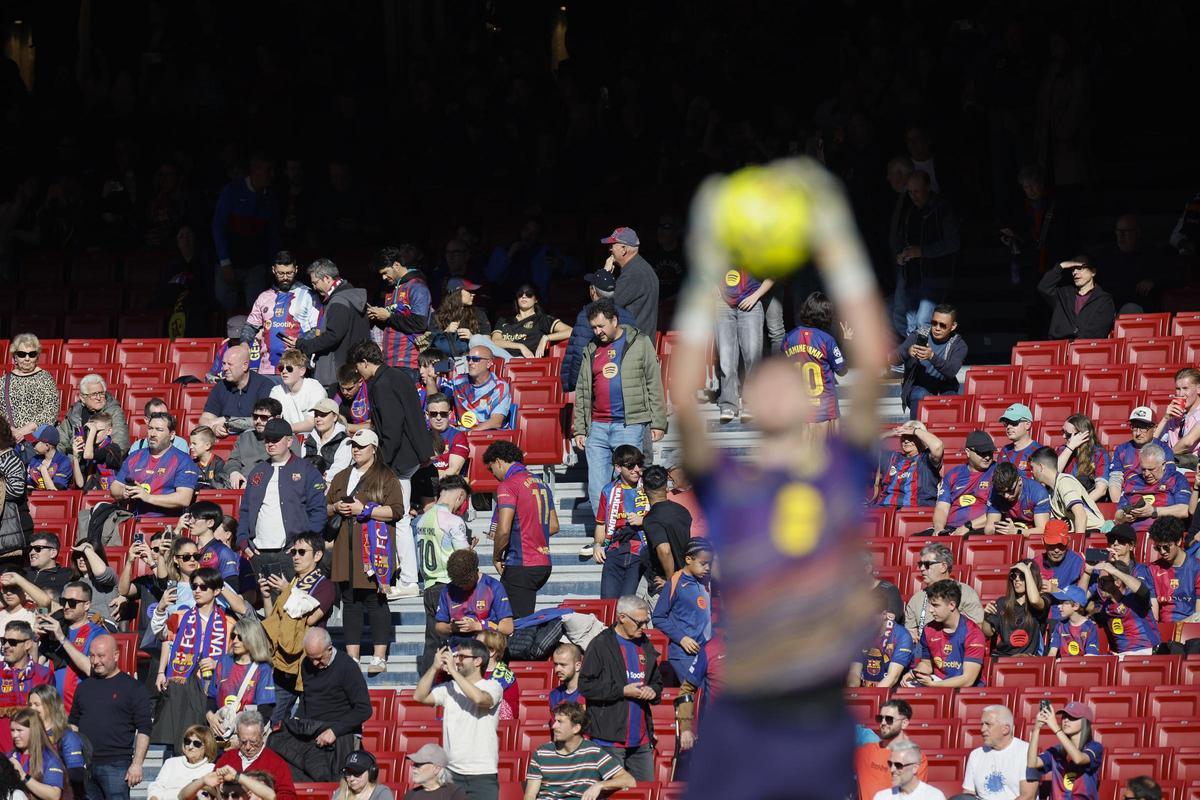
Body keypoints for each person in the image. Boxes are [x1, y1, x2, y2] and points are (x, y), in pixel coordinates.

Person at [572, 299, 667, 518]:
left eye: (601, 326)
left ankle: (630, 533)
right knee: (597, 487)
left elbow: (654, 382)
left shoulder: (640, 342)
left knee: (629, 482)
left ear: (614, 320)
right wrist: (580, 428)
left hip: (629, 424)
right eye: (594, 327)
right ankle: (604, 535)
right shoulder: (591, 349)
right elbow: (584, 390)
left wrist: (658, 422)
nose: (598, 331)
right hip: (597, 427)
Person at [326, 429, 411, 673]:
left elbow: (396, 511)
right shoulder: (342, 476)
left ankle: (379, 657)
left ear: (374, 448)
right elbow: (326, 506)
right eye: (354, 445)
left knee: (376, 602)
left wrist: (365, 510)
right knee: (350, 602)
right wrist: (336, 507)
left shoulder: (386, 476)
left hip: (375, 550)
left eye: (361, 446)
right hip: (345, 547)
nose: (356, 449)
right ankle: (352, 658)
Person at [267, 629, 371, 783]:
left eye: (319, 658)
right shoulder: (306, 664)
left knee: (327, 768)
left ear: (329, 649)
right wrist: (298, 721)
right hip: (312, 728)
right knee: (275, 741)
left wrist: (334, 732)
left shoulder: (347, 667)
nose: (315, 663)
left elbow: (364, 709)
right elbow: (307, 699)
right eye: (311, 658)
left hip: (339, 730)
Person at [578, 595, 662, 782]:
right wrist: (622, 691)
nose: (644, 627)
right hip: (609, 739)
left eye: (646, 622)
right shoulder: (601, 644)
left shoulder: (645, 643)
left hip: (641, 740)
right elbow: (586, 686)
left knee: (645, 792)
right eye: (639, 623)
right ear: (622, 617)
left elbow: (657, 682)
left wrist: (653, 691)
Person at [260, 531, 337, 725]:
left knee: (306, 723)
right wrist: (267, 596)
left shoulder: (324, 585)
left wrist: (288, 591)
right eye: (293, 552)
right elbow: (273, 620)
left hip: (309, 664)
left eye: (302, 552)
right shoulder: (292, 582)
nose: (295, 556)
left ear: (318, 555)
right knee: (275, 722)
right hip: (283, 662)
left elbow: (311, 618)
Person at [236, 418, 327, 581]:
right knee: (265, 604)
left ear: (289, 441)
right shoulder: (257, 472)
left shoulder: (307, 470)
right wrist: (243, 539)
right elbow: (246, 510)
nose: (270, 444)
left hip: (293, 553)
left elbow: (318, 511)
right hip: (258, 552)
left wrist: (304, 545)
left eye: (276, 440)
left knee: (293, 604)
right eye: (267, 440)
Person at [412, 641, 503, 800]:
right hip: (451, 773)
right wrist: (434, 667)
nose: (456, 660)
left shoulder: (493, 686)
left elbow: (479, 699)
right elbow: (419, 696)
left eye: (461, 656)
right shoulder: (449, 687)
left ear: (477, 661)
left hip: (482, 774)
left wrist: (454, 672)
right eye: (456, 656)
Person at [152, 568, 231, 751]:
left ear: (217, 591)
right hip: (184, 682)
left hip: (212, 684)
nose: (197, 591)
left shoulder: (228, 622)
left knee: (207, 739)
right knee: (183, 736)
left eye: (203, 587)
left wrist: (217, 663)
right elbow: (163, 635)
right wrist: (161, 607)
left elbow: (235, 657)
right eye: (194, 586)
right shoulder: (181, 616)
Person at [68, 634, 152, 800]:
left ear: (116, 655)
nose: (95, 661)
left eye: (101, 656)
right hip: (86, 765)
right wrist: (73, 757)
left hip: (117, 765)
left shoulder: (133, 688)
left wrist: (137, 764)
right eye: (92, 655)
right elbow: (73, 723)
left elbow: (144, 728)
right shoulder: (84, 687)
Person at [651, 539, 713, 749]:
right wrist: (682, 638)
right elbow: (658, 617)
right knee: (696, 691)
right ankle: (688, 740)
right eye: (703, 563)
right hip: (684, 653)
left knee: (710, 693)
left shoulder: (704, 581)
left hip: (706, 653)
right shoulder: (676, 582)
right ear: (688, 559)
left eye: (709, 564)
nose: (707, 568)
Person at [348, 340, 434, 492]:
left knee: (398, 509)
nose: (357, 371)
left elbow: (392, 426)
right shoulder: (399, 375)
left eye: (357, 366)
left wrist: (382, 460)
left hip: (400, 457)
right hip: (413, 453)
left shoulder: (382, 384)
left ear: (365, 363)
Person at [485, 441, 557, 617]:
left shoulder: (509, 485)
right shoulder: (541, 482)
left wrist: (496, 557)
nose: (492, 474)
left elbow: (503, 530)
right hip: (543, 563)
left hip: (521, 564)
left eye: (491, 468)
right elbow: (554, 526)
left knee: (513, 623)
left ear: (499, 462)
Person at [414, 476, 472, 674]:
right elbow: (464, 559)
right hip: (448, 586)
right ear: (460, 496)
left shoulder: (423, 518)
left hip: (429, 585)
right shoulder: (453, 521)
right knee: (452, 639)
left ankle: (427, 685)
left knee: (432, 641)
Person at [891, 170, 960, 336]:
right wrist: (901, 254)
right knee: (911, 325)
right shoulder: (909, 211)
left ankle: (926, 360)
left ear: (928, 188)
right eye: (910, 192)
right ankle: (918, 361)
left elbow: (953, 243)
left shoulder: (941, 209)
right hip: (913, 277)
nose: (913, 196)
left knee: (923, 321)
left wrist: (922, 251)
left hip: (935, 277)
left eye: (917, 191)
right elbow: (901, 238)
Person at [524, 701, 636, 800]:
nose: (554, 726)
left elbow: (629, 780)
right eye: (555, 721)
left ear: (576, 728)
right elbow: (530, 796)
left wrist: (599, 785)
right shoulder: (541, 753)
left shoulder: (593, 752)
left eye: (560, 722)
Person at [288, 258, 370, 386]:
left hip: (337, 374)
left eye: (315, 282)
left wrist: (303, 345)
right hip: (352, 367)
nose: (314, 287)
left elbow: (332, 336)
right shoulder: (351, 297)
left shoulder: (339, 302)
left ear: (326, 278)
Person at [242, 253, 321, 378]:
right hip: (267, 370)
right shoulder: (263, 297)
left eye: (289, 273)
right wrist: (244, 343)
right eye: (281, 273)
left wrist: (301, 344)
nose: (285, 277)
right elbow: (251, 326)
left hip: (297, 369)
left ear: (296, 270)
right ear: (273, 270)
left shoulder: (308, 295)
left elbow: (317, 329)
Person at [185, 710, 295, 800]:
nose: (247, 747)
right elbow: (213, 789)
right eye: (243, 741)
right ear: (237, 736)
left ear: (262, 736)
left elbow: (288, 797)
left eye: (253, 742)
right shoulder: (227, 758)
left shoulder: (276, 763)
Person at [107, 412, 199, 520]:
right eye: (150, 428)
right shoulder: (134, 456)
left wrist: (148, 497)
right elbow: (115, 486)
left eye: (159, 430)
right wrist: (124, 492)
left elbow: (184, 499)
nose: (153, 434)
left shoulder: (183, 460)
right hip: (133, 520)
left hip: (165, 524)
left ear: (172, 435)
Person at [559, 271, 637, 394]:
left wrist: (575, 385)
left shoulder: (587, 315)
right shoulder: (629, 315)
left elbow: (580, 353)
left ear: (593, 291)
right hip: (622, 383)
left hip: (594, 385)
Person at [715, 265, 774, 422]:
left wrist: (755, 296)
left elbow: (772, 275)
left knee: (752, 356)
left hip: (751, 304)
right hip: (723, 304)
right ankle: (728, 403)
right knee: (726, 359)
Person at [780, 291, 847, 430]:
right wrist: (846, 343)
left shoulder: (789, 337)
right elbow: (842, 371)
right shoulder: (827, 340)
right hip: (825, 411)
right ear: (826, 315)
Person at [589, 446, 650, 598]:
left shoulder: (650, 486)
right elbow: (601, 523)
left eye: (639, 464)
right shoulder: (608, 490)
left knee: (628, 604)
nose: (636, 469)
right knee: (608, 602)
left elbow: (663, 517)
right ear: (618, 467)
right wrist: (597, 545)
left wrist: (644, 520)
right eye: (630, 466)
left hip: (640, 550)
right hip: (614, 550)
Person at [36, 581, 106, 712]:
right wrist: (36, 639)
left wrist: (62, 638)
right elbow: (37, 665)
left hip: (78, 710)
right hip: (51, 709)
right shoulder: (56, 628)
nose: (66, 606)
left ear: (86, 605)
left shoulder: (97, 633)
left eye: (72, 603)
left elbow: (91, 669)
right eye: (63, 601)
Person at [206, 615, 276, 742]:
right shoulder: (224, 661)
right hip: (221, 732)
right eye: (233, 636)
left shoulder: (262, 668)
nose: (235, 641)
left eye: (240, 637)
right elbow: (211, 696)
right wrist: (210, 716)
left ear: (252, 639)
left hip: (246, 736)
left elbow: (265, 710)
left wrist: (243, 736)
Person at [366, 245, 433, 375]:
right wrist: (377, 316)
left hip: (409, 362)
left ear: (396, 265)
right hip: (388, 360)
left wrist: (389, 316)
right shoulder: (391, 289)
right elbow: (394, 323)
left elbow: (420, 323)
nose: (384, 278)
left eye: (385, 272)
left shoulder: (418, 286)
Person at [908, 580, 985, 688]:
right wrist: (915, 673)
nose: (930, 610)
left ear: (952, 605)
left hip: (965, 694)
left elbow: (968, 680)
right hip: (936, 689)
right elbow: (926, 664)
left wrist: (935, 685)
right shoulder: (928, 629)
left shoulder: (974, 634)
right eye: (930, 605)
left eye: (935, 605)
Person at [896, 304, 967, 420]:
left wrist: (931, 356)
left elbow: (951, 371)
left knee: (952, 399)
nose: (937, 328)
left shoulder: (959, 345)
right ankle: (915, 432)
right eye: (934, 323)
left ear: (953, 326)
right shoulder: (918, 335)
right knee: (920, 394)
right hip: (917, 387)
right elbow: (893, 358)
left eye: (943, 325)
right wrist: (907, 352)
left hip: (944, 388)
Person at [1023, 702, 1102, 800]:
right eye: (1064, 717)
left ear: (1085, 722)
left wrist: (1055, 727)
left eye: (1072, 717)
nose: (1066, 721)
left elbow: (1079, 759)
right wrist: (1037, 728)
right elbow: (1032, 763)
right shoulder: (1057, 750)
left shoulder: (1095, 747)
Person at [855, 700, 929, 800]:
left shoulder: (916, 758)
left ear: (904, 723)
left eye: (889, 719)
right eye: (880, 718)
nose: (883, 723)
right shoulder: (864, 752)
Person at [198, 345, 275, 439]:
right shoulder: (220, 387)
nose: (225, 368)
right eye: (224, 364)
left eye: (230, 364)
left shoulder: (265, 386)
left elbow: (265, 421)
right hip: (225, 444)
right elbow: (204, 419)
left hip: (256, 442)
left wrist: (227, 421)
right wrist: (214, 428)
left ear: (245, 366)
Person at [434, 550, 514, 640]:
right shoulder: (448, 591)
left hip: (486, 646)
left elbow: (508, 627)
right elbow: (439, 626)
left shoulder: (493, 586)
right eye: (459, 585)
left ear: (475, 573)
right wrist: (452, 628)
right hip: (457, 647)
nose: (463, 587)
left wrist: (479, 626)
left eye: (467, 584)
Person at [1112, 442, 1189, 533]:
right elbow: (1118, 515)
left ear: (1163, 465)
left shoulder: (1176, 479)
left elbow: (1185, 510)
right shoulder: (1133, 481)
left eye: (1151, 469)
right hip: (1133, 534)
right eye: (1143, 469)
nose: (1147, 474)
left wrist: (1153, 511)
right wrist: (1124, 517)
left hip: (1164, 533)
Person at [224, 399, 301, 489]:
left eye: (264, 417)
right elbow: (233, 461)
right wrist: (234, 472)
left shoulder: (287, 438)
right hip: (242, 485)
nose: (258, 421)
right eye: (255, 417)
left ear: (278, 418)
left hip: (273, 486)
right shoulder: (244, 438)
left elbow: (293, 467)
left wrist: (254, 483)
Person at [1093, 556, 1161, 656]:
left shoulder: (1134, 597)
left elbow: (1144, 590)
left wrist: (1116, 572)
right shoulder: (1106, 607)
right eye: (1099, 581)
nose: (1100, 585)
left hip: (1147, 651)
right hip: (1122, 656)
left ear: (1118, 582)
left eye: (1103, 581)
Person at [640, 465, 693, 593]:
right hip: (688, 579)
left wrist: (671, 581)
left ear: (642, 489)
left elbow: (664, 550)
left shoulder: (651, 519)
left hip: (667, 584)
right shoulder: (683, 511)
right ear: (667, 488)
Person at [1029, 448, 1105, 534]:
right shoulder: (1050, 491)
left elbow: (1081, 515)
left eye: (1032, 467)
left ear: (1041, 467)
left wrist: (1078, 544)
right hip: (1077, 533)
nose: (1031, 472)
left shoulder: (1064, 482)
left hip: (1093, 532)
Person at [26, 685, 84, 799]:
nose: (31, 709)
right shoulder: (30, 734)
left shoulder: (67, 736)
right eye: (30, 705)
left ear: (50, 705)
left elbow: (76, 777)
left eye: (37, 704)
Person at [933, 431, 996, 535]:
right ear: (968, 452)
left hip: (977, 529)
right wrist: (939, 529)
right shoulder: (953, 474)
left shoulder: (997, 472)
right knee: (918, 539)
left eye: (990, 452)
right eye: (982, 453)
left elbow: (997, 512)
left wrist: (967, 527)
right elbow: (942, 507)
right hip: (950, 528)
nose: (988, 457)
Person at [1037, 257, 1116, 340]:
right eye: (1072, 269)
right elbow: (1043, 287)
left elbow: (1099, 330)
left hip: (1086, 348)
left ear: (1093, 272)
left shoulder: (1104, 300)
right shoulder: (1064, 294)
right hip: (1060, 347)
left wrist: (1075, 344)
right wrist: (1061, 266)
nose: (1075, 272)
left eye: (1080, 268)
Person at [980, 561, 1047, 656]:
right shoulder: (1002, 602)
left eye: (1022, 576)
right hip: (1003, 658)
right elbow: (989, 633)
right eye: (1014, 576)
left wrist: (1027, 572)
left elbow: (1035, 600)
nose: (1017, 580)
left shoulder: (1042, 601)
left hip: (1029, 661)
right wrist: (985, 618)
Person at [0, 334, 59, 441]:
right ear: (15, 357)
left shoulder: (45, 378)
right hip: (9, 439)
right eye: (22, 354)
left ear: (37, 357)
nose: (27, 358)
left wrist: (21, 432)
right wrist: (10, 431)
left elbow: (50, 412)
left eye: (32, 354)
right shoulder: (4, 380)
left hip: (36, 440)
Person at [871, 421, 944, 508]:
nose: (906, 441)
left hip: (915, 512)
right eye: (904, 437)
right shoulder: (892, 457)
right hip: (886, 508)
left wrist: (915, 431)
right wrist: (892, 432)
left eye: (911, 437)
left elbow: (938, 446)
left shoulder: (926, 458)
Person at [962, 706, 1029, 800]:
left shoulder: (1026, 751)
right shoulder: (975, 755)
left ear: (1005, 729)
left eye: (988, 724)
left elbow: (1028, 796)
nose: (982, 729)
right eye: (982, 724)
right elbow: (968, 794)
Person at [602, 227, 660, 335]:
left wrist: (604, 274)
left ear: (623, 249)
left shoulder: (633, 274)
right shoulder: (639, 267)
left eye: (612, 246)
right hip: (638, 343)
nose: (609, 249)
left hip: (634, 346)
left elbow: (604, 308)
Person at [56, 374, 130, 457]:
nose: (98, 398)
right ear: (83, 398)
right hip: (77, 462)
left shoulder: (114, 412)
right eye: (94, 394)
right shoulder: (74, 412)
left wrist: (94, 456)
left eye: (101, 393)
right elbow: (61, 441)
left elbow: (121, 444)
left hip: (103, 464)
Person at [1110, 407, 1172, 502]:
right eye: (1134, 427)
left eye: (1143, 428)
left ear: (1154, 428)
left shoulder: (1163, 449)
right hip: (1128, 498)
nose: (1138, 433)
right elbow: (1115, 480)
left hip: (1157, 496)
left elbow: (1169, 476)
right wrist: (1118, 505)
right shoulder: (1121, 449)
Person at [491, 284, 571, 359]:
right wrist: (521, 346)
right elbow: (495, 341)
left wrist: (546, 338)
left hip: (526, 362)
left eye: (529, 294)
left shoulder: (542, 319)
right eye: (520, 294)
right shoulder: (504, 320)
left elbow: (570, 331)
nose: (524, 296)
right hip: (501, 358)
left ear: (536, 299)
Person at [848, 600, 913, 689]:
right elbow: (854, 672)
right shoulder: (860, 634)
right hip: (863, 691)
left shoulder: (901, 635)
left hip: (889, 693)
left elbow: (892, 677)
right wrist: (854, 693)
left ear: (884, 614)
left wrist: (873, 699)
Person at [1147, 517, 1200, 623]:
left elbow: (1198, 615)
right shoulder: (1151, 570)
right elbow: (1154, 618)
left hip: (1190, 629)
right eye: (1158, 548)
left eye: (1166, 547)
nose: (1162, 552)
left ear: (1179, 541)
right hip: (1163, 630)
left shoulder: (1197, 568)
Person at [6, 706, 65, 800]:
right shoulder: (9, 757)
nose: (14, 735)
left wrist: (23, 776)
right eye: (12, 730)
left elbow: (54, 795)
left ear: (33, 730)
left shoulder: (49, 757)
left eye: (19, 730)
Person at [268, 350, 327, 442]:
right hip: (286, 439)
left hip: (313, 440)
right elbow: (271, 421)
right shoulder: (276, 391)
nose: (284, 371)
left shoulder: (315, 388)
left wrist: (282, 429)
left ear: (302, 371)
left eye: (289, 368)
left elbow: (311, 423)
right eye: (281, 368)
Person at [450, 346, 512, 432]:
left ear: (489, 363)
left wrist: (470, 433)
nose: (470, 363)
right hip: (463, 432)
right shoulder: (458, 381)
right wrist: (431, 379)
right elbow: (436, 398)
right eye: (468, 359)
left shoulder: (499, 387)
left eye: (475, 359)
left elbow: (496, 421)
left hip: (489, 435)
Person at [1035, 522, 1089, 622]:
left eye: (1061, 545)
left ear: (1068, 541)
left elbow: (1082, 600)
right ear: (1043, 542)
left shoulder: (1079, 561)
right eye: (1051, 544)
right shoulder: (1035, 564)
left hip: (1069, 620)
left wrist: (1056, 590)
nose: (1056, 550)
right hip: (1041, 618)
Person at [146, 726, 217, 800]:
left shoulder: (210, 769)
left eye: (196, 744)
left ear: (207, 747)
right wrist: (153, 797)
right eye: (187, 741)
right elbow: (157, 786)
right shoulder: (171, 763)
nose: (190, 746)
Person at [985, 462, 1051, 535]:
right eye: (1001, 492)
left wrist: (1017, 532)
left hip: (1031, 535)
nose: (1006, 495)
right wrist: (1002, 530)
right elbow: (989, 528)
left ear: (1019, 480)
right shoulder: (995, 492)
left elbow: (1042, 530)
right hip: (1007, 534)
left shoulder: (1038, 492)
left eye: (1010, 490)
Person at [430, 279, 491, 358]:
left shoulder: (479, 314)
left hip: (473, 360)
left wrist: (473, 337)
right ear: (456, 293)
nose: (473, 294)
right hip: (444, 361)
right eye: (469, 291)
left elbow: (489, 344)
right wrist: (446, 331)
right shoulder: (437, 316)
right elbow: (430, 343)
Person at [1056, 415, 1109, 503]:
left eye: (1068, 434)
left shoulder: (1098, 454)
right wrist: (1071, 447)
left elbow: (1101, 490)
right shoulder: (1063, 450)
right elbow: (1054, 475)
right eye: (1063, 431)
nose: (1063, 436)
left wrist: (1078, 507)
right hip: (1064, 500)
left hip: (1086, 504)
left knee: (1084, 480)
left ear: (1082, 435)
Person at [0, 621, 53, 708]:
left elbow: (48, 713)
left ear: (27, 644)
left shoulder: (44, 674)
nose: (6, 646)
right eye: (4, 641)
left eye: (12, 642)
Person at [68, 412, 123, 491]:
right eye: (90, 431)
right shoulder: (89, 449)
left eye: (97, 431)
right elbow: (80, 484)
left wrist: (93, 429)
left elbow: (88, 455)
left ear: (109, 431)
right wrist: (75, 456)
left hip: (108, 495)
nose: (93, 434)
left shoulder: (113, 448)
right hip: (90, 495)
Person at [1153, 367, 1200, 458]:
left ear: (1198, 389)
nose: (1181, 394)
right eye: (1178, 389)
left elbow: (1188, 443)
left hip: (1191, 468)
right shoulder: (1174, 415)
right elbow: (1151, 445)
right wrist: (1165, 419)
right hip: (1170, 466)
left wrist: (1163, 458)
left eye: (1185, 388)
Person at [873, 740, 943, 800]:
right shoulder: (881, 797)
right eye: (890, 764)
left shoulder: (934, 797)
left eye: (898, 765)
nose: (892, 769)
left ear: (914, 768)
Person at [302, 398, 352, 482]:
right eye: (316, 415)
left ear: (335, 417)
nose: (318, 419)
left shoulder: (345, 441)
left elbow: (339, 469)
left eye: (323, 415)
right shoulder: (308, 440)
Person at [1046, 586, 1101, 657]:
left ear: (1076, 606)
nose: (1059, 606)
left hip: (1082, 666)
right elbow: (1052, 654)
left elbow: (1091, 655)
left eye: (1064, 603)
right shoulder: (1060, 626)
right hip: (1062, 667)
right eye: (1060, 602)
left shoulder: (1090, 627)